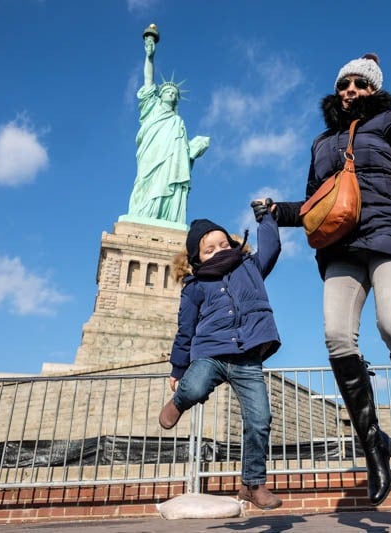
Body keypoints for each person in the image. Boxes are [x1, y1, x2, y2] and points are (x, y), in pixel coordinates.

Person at [252, 51, 391, 506]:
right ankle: (374, 444)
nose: (350, 90)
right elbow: (315, 205)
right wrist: (275, 209)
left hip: (388, 237)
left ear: (373, 90)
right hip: (340, 249)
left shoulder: (388, 123)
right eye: (344, 84)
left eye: (360, 84)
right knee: (336, 337)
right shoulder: (320, 142)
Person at [158, 213, 283, 510]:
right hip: (211, 353)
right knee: (195, 387)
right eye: (209, 249)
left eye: (223, 244)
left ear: (234, 244)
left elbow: (272, 248)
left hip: (247, 357)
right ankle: (178, 402)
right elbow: (185, 329)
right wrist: (177, 369)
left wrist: (266, 218)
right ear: (197, 259)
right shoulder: (195, 286)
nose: (219, 251)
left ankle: (253, 484)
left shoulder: (250, 267)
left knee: (260, 419)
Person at [127, 31, 209, 224]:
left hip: (170, 160)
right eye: (167, 91)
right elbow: (148, 80)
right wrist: (149, 56)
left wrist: (194, 149)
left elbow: (183, 153)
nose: (171, 94)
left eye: (174, 92)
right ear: (160, 94)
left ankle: (167, 217)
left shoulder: (178, 122)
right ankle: (142, 214)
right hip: (151, 153)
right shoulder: (152, 107)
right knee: (145, 182)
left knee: (167, 181)